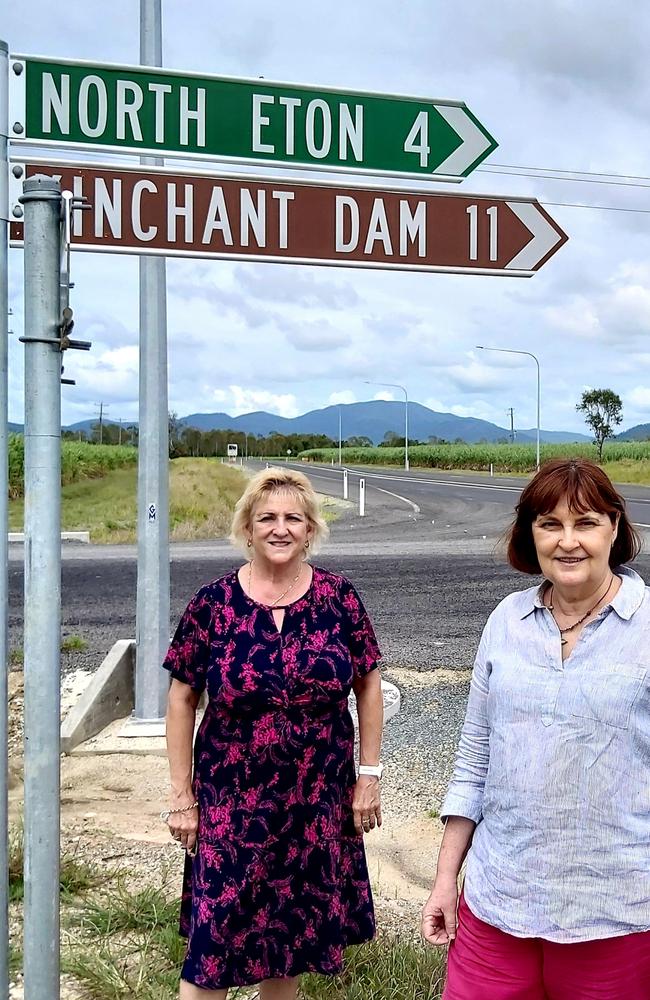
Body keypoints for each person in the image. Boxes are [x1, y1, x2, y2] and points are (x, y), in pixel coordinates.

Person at [421, 458, 650, 999]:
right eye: (550, 523)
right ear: (531, 533)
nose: (568, 541)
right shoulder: (506, 620)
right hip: (498, 902)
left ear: (614, 528)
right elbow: (474, 761)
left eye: (586, 522)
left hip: (617, 913)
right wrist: (444, 881)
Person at [162, 467, 384, 999]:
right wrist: (181, 794)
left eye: (293, 518)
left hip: (315, 800)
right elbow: (180, 699)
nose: (280, 528)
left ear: (310, 529)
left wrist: (368, 775)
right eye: (267, 518)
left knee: (291, 938)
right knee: (213, 944)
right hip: (232, 800)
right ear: (247, 528)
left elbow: (369, 685)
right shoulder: (212, 604)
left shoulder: (338, 598)